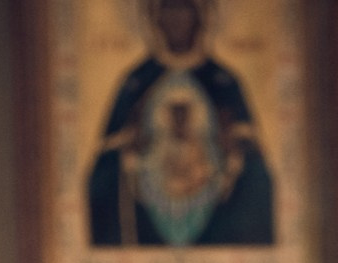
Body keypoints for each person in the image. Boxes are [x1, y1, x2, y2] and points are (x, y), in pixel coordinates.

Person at [86, 0, 274, 249]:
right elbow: (107, 156)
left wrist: (232, 150)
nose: (176, 20)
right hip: (149, 207)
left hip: (213, 204)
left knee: (258, 178)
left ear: (200, 17)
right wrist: (130, 148)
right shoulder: (137, 81)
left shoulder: (223, 81)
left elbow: (249, 148)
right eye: (168, 10)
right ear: (155, 18)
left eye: (184, 10)